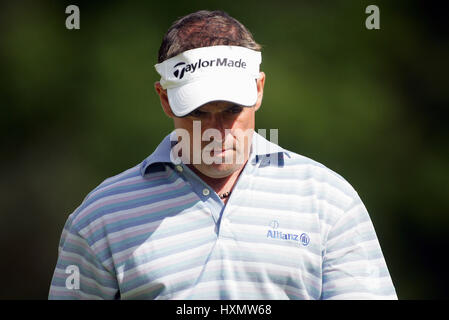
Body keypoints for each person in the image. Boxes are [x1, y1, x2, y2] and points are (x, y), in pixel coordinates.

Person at [49, 10, 397, 300]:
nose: (216, 129)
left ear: (258, 89)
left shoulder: (328, 201)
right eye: (198, 112)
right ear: (165, 98)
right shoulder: (101, 217)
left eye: (231, 110)